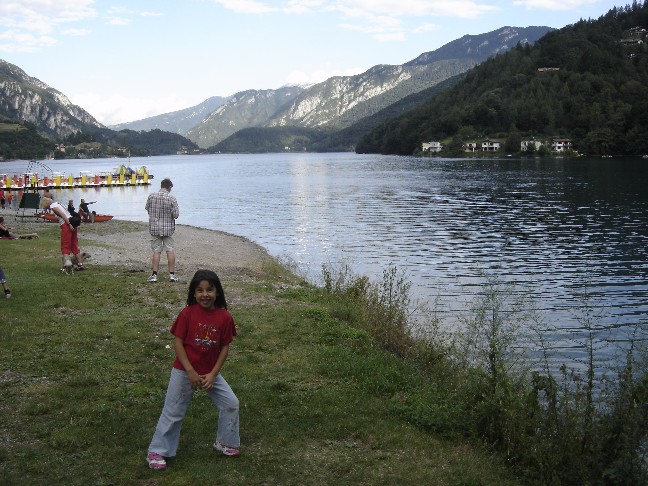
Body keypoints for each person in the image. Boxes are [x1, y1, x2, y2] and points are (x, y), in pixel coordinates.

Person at [146, 269, 240, 470]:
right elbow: (178, 343)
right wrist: (189, 371)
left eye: (210, 290)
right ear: (193, 293)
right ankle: (157, 451)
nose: (205, 295)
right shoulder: (187, 314)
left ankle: (225, 441)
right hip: (184, 371)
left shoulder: (224, 317)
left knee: (231, 403)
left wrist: (213, 374)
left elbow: (225, 347)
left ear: (217, 292)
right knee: (173, 411)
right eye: (199, 290)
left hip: (209, 373)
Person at [145, 178, 179, 282]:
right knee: (170, 250)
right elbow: (176, 215)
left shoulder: (151, 196)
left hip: (155, 228)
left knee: (156, 251)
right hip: (168, 229)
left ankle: (154, 275)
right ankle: (172, 275)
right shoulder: (172, 198)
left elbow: (147, 209)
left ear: (161, 185)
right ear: (169, 187)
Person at [39, 197, 84, 272]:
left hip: (66, 225)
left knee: (65, 246)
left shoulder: (53, 206)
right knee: (74, 245)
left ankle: (66, 266)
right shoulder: (57, 204)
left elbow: (62, 215)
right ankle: (80, 264)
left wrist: (69, 224)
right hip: (73, 223)